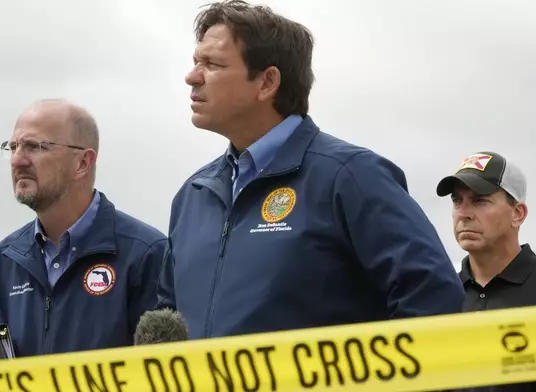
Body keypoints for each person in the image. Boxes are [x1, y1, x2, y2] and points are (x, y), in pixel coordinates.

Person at [155, 0, 464, 340]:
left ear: (267, 82)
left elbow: (433, 297)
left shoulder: (351, 176)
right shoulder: (192, 196)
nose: (192, 76)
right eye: (196, 61)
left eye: (212, 64)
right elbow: (166, 319)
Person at [0, 99, 167, 362]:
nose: (17, 160)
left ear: (83, 163)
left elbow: (163, 373)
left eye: (34, 146)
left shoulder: (146, 255)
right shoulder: (2, 263)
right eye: (13, 147)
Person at [436, 151, 536, 392]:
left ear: (518, 214)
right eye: (457, 201)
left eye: (480, 200)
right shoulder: (439, 295)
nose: (464, 213)